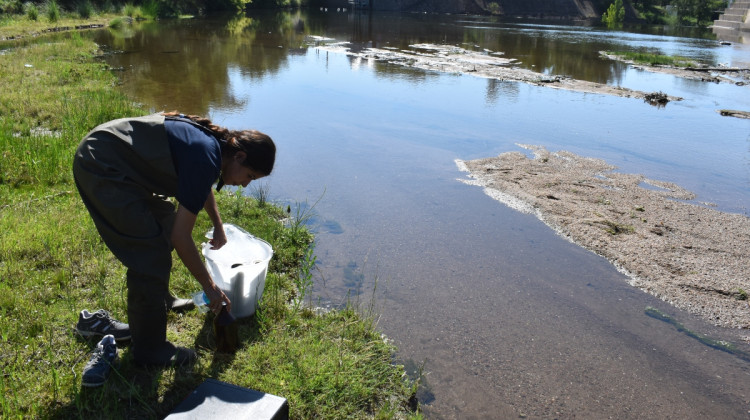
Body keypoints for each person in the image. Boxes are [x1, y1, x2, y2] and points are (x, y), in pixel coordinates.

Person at [72, 111, 276, 366]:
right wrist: (210, 288)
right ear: (240, 156)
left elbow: (199, 185)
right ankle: (150, 349)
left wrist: (218, 224)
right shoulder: (206, 153)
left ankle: (161, 299)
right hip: (101, 166)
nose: (246, 185)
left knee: (166, 220)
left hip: (118, 162)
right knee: (149, 256)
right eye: (249, 176)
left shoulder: (215, 148)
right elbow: (182, 237)